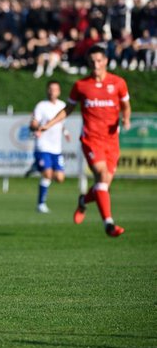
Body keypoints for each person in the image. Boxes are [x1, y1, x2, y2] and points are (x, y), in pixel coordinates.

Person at [39, 45, 131, 237]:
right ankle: (109, 223)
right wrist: (49, 124)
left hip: (112, 141)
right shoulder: (81, 85)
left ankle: (83, 201)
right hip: (91, 139)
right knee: (101, 173)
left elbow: (125, 106)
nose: (96, 64)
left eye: (99, 61)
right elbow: (68, 109)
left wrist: (126, 119)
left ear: (105, 61)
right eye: (92, 61)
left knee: (103, 183)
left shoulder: (118, 83)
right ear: (88, 63)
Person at [30, 81, 71, 213]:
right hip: (43, 146)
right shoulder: (41, 106)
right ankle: (41, 204)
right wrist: (36, 128)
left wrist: (65, 132)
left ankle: (36, 166)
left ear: (59, 91)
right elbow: (34, 123)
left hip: (56, 148)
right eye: (50, 89)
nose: (52, 91)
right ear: (47, 90)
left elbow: (60, 122)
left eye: (55, 89)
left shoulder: (62, 105)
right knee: (47, 174)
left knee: (59, 178)